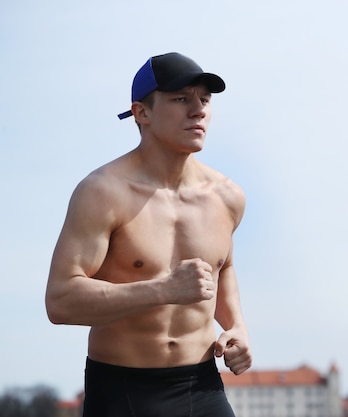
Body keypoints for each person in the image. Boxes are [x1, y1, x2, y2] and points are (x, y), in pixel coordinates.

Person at [45, 52, 252, 417]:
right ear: (142, 113)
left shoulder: (227, 196)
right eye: (181, 99)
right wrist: (163, 290)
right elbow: (60, 301)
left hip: (202, 388)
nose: (198, 110)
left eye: (204, 99)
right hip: (123, 392)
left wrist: (237, 328)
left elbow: (223, 268)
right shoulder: (103, 192)